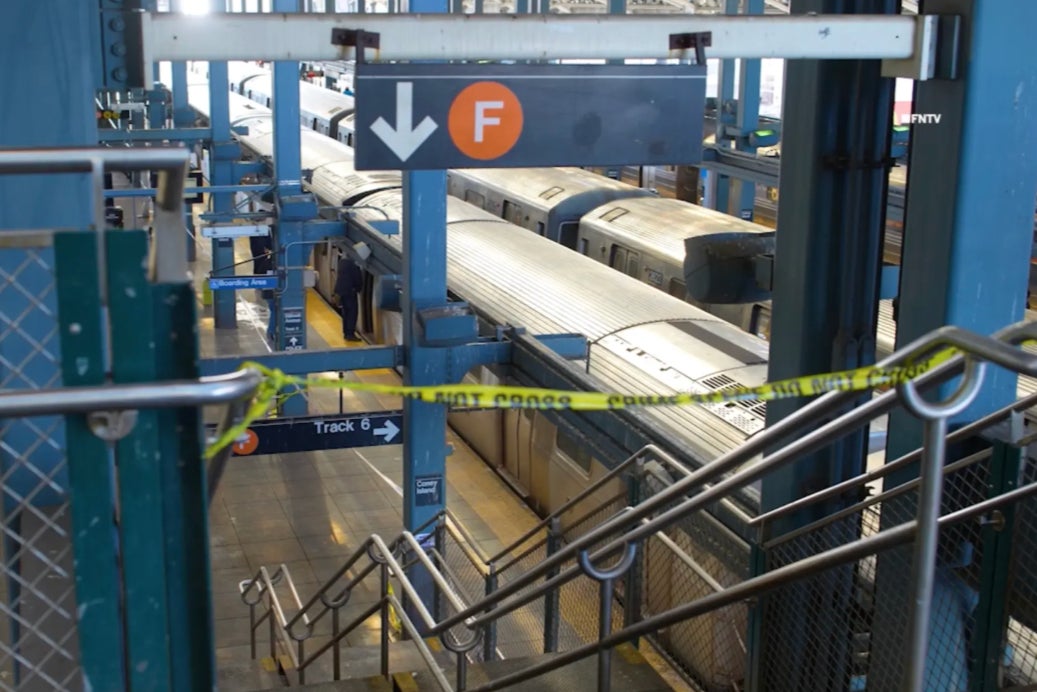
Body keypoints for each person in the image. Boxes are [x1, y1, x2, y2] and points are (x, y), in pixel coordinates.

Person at [335, 255, 363, 341]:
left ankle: (346, 332)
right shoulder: (354, 266)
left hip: (340, 291)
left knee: (345, 312)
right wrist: (358, 289)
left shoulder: (342, 262)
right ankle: (350, 334)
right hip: (350, 292)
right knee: (352, 313)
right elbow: (357, 279)